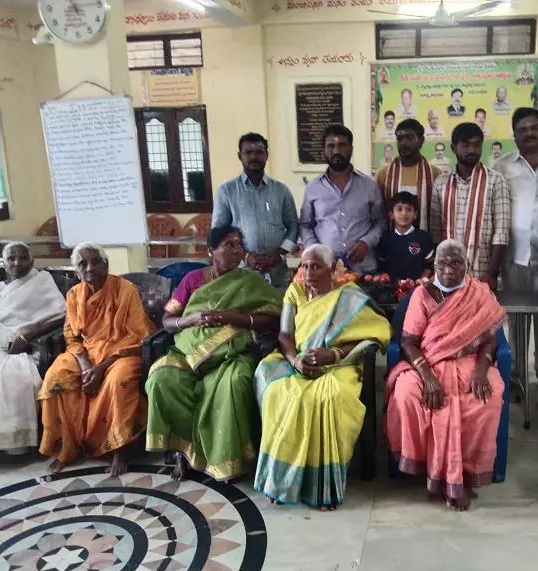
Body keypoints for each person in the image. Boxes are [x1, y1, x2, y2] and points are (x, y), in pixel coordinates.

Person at [254, 244, 391, 509]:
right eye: (304, 266)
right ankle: (281, 480)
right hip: (296, 360)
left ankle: (321, 486)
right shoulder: (295, 291)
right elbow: (285, 335)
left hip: (339, 364)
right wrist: (296, 361)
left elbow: (375, 333)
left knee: (330, 396)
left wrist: (333, 354)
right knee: (279, 392)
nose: (308, 272)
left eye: (315, 267)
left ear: (331, 270)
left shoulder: (348, 297)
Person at [146, 226, 282, 481]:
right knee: (161, 379)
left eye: (239, 245)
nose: (237, 251)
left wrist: (232, 317)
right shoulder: (192, 280)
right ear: (211, 251)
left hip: (233, 353)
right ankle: (182, 451)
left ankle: (228, 459)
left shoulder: (250, 281)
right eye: (229, 245)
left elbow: (272, 319)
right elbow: (167, 321)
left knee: (234, 382)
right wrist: (191, 319)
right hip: (187, 352)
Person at [386, 240, 506, 511]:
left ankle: (465, 471)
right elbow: (408, 341)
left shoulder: (479, 293)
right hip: (428, 363)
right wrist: (428, 378)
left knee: (488, 397)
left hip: (470, 363)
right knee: (405, 394)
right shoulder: (422, 294)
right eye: (442, 263)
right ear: (434, 265)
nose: (449, 269)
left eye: (455, 263)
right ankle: (431, 468)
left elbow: (490, 338)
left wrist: (481, 370)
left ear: (467, 265)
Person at [39, 243, 156, 476]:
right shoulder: (74, 294)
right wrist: (85, 364)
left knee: (118, 381)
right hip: (87, 351)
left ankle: (119, 449)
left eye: (95, 262)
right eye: (82, 264)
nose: (90, 268)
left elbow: (139, 335)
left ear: (106, 265)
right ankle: (66, 448)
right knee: (55, 378)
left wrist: (102, 367)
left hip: (122, 351)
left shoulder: (125, 290)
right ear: (76, 271)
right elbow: (71, 335)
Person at [0, 242, 66, 473]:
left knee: (8, 379)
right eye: (12, 258)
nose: (17, 263)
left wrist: (28, 335)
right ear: (4, 263)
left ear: (32, 261)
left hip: (29, 348)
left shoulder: (42, 281)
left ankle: (12, 445)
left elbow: (62, 314)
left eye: (23, 258)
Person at [495, 107, 538, 401]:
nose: (529, 133)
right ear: (514, 135)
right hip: (515, 256)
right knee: (515, 319)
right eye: (522, 129)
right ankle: (516, 375)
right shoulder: (502, 166)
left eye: (534, 127)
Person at [213, 133, 299, 289]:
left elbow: (293, 225)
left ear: (266, 155)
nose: (254, 157)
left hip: (277, 272)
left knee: (278, 304)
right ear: (240, 156)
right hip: (240, 272)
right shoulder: (226, 191)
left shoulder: (281, 191)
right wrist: (245, 256)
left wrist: (280, 253)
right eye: (248, 152)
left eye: (259, 152)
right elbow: (218, 233)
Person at [430, 123, 510, 287]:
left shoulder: (495, 180)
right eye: (466, 145)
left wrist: (492, 273)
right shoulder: (440, 183)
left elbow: (501, 232)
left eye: (476, 144)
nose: (472, 150)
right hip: (447, 276)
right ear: (453, 148)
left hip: (482, 275)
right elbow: (435, 233)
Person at [300, 124, 385, 274]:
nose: (336, 151)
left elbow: (380, 222)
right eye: (331, 146)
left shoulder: (369, 185)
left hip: (363, 270)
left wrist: (366, 243)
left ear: (351, 148)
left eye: (342, 145)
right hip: (325, 272)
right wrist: (316, 251)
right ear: (324, 150)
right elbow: (305, 225)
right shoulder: (313, 188)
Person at [376, 118, 442, 230]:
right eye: (400, 139)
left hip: (425, 236)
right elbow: (379, 213)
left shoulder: (435, 173)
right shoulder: (384, 174)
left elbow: (440, 213)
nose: (403, 143)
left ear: (421, 140)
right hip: (392, 237)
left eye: (409, 138)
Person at [378, 191, 434, 281]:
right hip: (389, 286)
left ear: (415, 214)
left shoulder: (424, 237)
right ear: (391, 214)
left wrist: (422, 280)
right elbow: (381, 266)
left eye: (409, 209)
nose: (404, 213)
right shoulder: (385, 238)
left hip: (416, 287)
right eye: (399, 209)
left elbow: (429, 266)